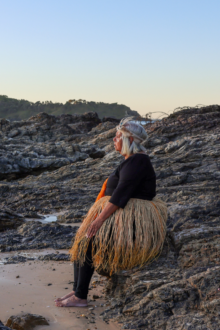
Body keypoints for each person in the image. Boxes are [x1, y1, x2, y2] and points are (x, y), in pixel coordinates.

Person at [55, 117, 168, 308]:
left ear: (130, 140)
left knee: (88, 241)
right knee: (82, 240)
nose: (114, 140)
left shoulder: (138, 161)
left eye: (117, 136)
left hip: (129, 220)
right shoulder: (131, 160)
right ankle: (77, 290)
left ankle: (80, 297)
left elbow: (121, 193)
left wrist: (99, 220)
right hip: (120, 214)